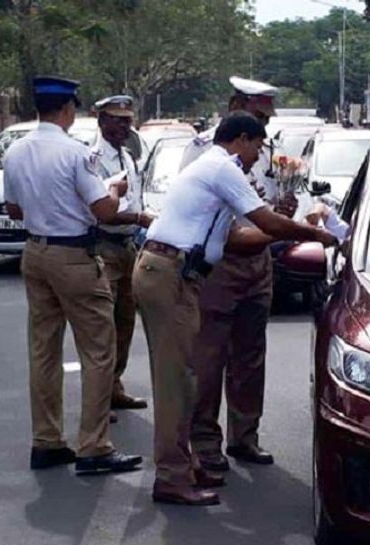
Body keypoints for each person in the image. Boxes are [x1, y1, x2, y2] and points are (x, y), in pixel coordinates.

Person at [134, 111, 338, 506]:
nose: (256, 156)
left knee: (185, 376)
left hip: (174, 270)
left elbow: (239, 231)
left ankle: (185, 464)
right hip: (169, 271)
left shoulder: (213, 170)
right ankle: (173, 477)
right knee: (177, 381)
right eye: (256, 147)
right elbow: (267, 223)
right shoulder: (222, 166)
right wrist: (313, 232)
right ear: (240, 139)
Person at [3, 76, 141, 475]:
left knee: (43, 350)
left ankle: (46, 441)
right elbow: (105, 212)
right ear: (67, 110)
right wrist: (113, 188)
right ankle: (94, 446)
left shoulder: (16, 151)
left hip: (35, 251)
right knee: (99, 350)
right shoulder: (75, 153)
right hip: (74, 255)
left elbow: (14, 210)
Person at [179, 76, 293, 473]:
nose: (264, 125)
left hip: (258, 260)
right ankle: (205, 442)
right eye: (258, 115)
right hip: (221, 261)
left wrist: (288, 207)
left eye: (266, 117)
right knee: (209, 357)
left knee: (250, 356)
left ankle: (244, 437)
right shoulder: (204, 149)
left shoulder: (267, 148)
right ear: (235, 106)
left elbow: (270, 200)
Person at [90, 95, 152, 411]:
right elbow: (101, 210)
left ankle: (114, 385)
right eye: (117, 120)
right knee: (103, 328)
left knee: (125, 321)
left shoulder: (127, 156)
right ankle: (99, 400)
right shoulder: (91, 157)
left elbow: (136, 201)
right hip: (104, 245)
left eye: (127, 121)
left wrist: (145, 218)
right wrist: (139, 218)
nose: (124, 127)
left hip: (128, 247)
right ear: (101, 121)